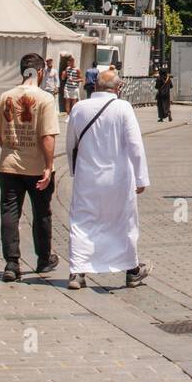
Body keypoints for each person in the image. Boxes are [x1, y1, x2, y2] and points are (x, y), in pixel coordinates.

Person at [65, 68, 151, 290]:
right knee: (124, 222)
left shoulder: (79, 108)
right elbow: (135, 145)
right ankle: (131, 270)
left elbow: (70, 144)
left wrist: (74, 171)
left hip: (87, 177)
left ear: (95, 86)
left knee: (82, 222)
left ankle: (77, 272)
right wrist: (141, 177)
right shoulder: (123, 108)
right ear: (118, 87)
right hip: (118, 178)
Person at [0, 53, 61, 283]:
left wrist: (13, 149)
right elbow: (47, 136)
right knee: (41, 212)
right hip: (36, 167)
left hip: (8, 165)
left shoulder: (6, 97)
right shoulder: (45, 99)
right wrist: (49, 166)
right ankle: (43, 258)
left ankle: (12, 263)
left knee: (9, 213)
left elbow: (0, 135)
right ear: (40, 72)